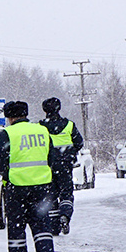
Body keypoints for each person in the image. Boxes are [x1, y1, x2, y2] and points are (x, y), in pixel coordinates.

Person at [0, 100, 58, 252]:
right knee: (42, 225)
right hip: (41, 186)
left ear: (10, 117)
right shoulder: (42, 130)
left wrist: (7, 176)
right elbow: (52, 157)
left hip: (17, 187)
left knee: (16, 227)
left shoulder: (8, 133)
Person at [39, 97, 81, 234]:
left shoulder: (41, 127)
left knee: (50, 196)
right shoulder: (69, 125)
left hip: (47, 167)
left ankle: (54, 226)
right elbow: (79, 143)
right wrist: (70, 154)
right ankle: (65, 215)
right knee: (66, 193)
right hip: (65, 167)